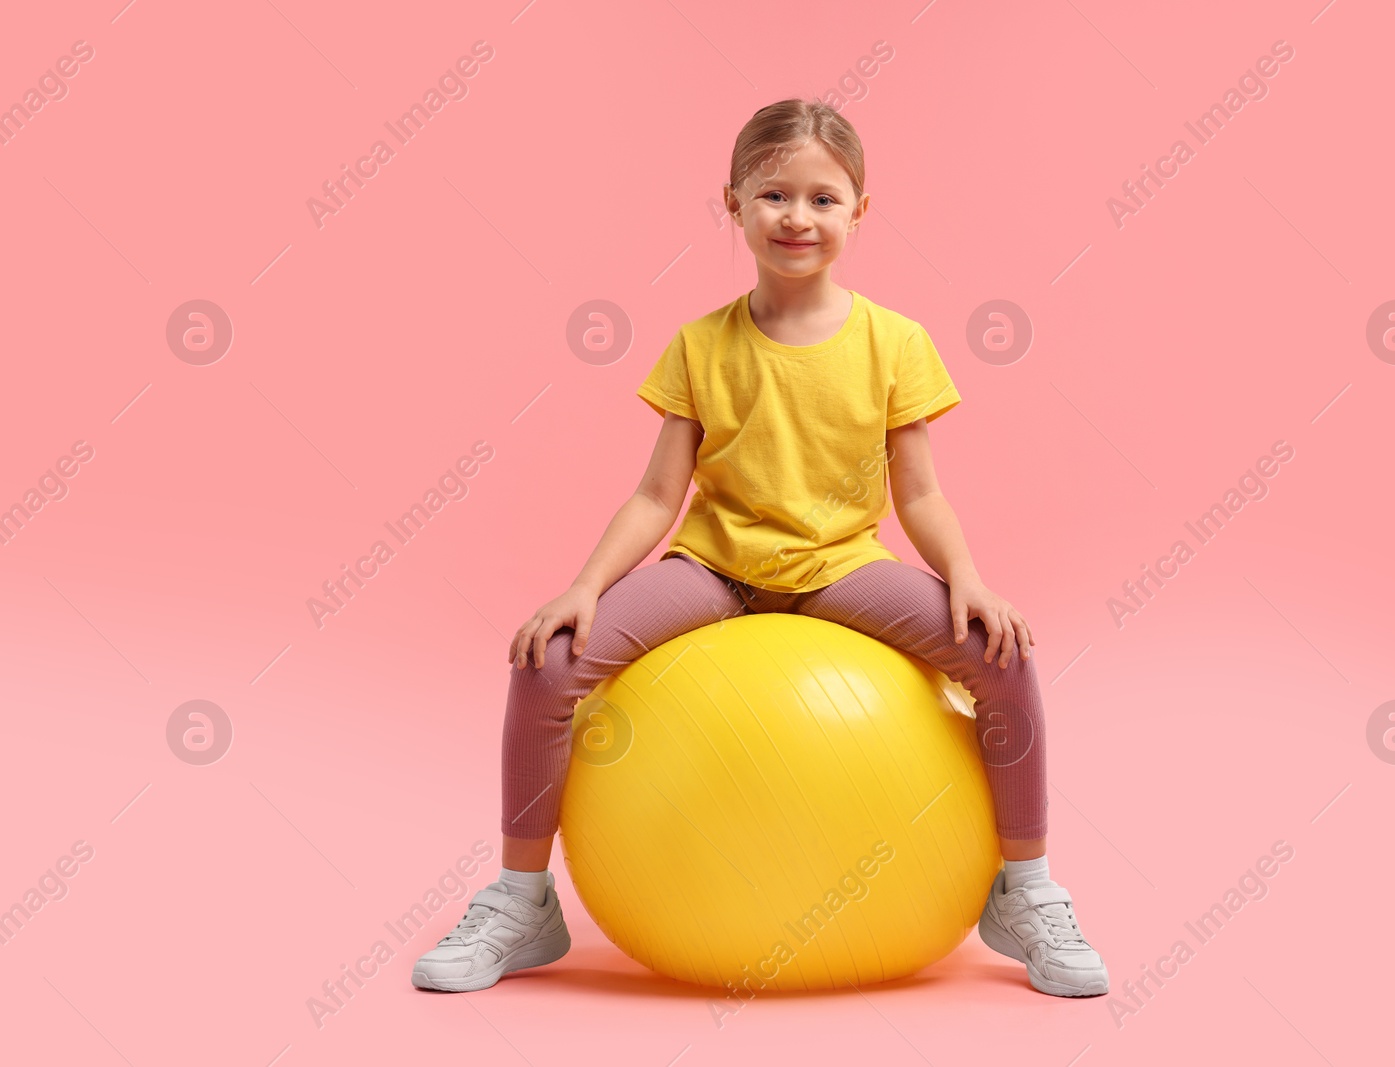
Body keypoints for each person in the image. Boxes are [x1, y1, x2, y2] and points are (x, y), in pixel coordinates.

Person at [412, 98, 1109, 999]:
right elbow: (659, 494)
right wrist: (582, 587)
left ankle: (1027, 889)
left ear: (860, 212)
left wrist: (967, 578)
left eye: (823, 199)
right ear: (733, 203)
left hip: (841, 569)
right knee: (547, 663)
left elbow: (920, 491)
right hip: (715, 569)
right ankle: (522, 899)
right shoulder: (701, 345)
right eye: (774, 194)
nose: (797, 217)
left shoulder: (894, 342)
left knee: (1001, 655)